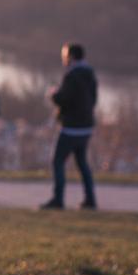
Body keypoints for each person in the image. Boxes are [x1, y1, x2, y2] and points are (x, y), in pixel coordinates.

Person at [41, 42, 97, 210]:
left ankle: (58, 199)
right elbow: (93, 99)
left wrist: (53, 94)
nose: (63, 59)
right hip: (87, 126)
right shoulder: (90, 74)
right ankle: (90, 199)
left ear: (71, 57)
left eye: (64, 56)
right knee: (82, 163)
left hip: (71, 127)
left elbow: (63, 99)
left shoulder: (71, 76)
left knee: (57, 161)